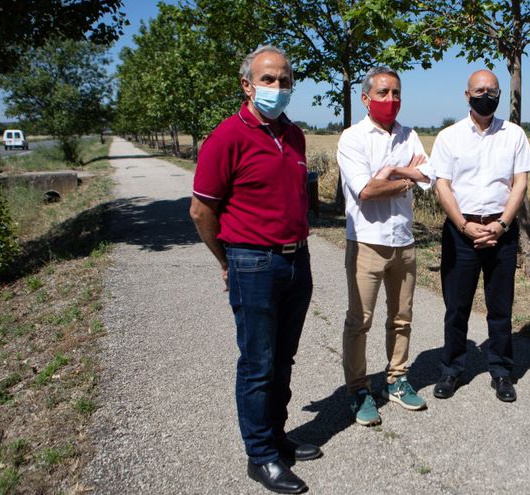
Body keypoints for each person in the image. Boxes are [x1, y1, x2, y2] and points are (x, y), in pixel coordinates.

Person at [190, 45, 321, 494]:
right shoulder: (227, 137)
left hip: (296, 260)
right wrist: (228, 261)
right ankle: (260, 455)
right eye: (268, 80)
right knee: (258, 363)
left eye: (285, 80)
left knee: (283, 357)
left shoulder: (296, 136)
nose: (278, 88)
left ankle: (277, 436)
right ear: (247, 85)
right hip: (253, 262)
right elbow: (201, 211)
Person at [337, 66, 435, 426]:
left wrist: (392, 173)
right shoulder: (352, 138)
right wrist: (404, 175)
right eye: (383, 93)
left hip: (404, 242)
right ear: (365, 98)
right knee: (359, 321)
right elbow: (365, 191)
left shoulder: (409, 134)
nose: (391, 100)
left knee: (402, 317)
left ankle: (396, 379)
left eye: (396, 93)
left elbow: (429, 175)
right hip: (367, 242)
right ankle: (358, 390)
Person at [431, 69, 530, 403]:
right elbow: (442, 184)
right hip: (461, 233)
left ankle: (502, 371)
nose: (485, 95)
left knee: (500, 307)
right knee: (456, 307)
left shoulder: (514, 135)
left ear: (500, 94)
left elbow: (520, 181)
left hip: (501, 231)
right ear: (466, 95)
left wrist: (502, 224)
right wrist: (463, 225)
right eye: (479, 90)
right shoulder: (449, 137)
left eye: (492, 90)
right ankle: (451, 369)